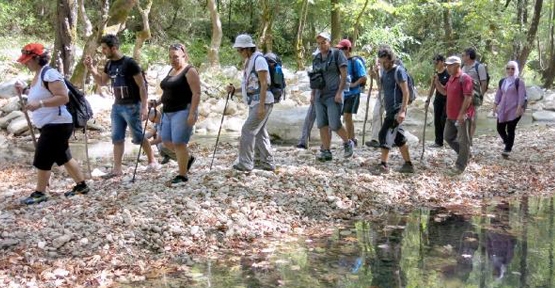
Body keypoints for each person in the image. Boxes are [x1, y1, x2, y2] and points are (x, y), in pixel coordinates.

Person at [14, 43, 90, 205]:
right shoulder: (39, 74)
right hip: (51, 124)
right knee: (63, 156)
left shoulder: (50, 74)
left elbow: (63, 97)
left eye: (28, 60)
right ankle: (82, 185)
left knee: (43, 156)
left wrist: (39, 104)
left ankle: (40, 193)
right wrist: (24, 91)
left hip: (57, 124)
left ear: (37, 58)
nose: (25, 63)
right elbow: (39, 93)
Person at [83, 34, 159, 178]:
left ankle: (152, 160)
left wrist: (144, 107)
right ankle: (117, 169)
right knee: (117, 137)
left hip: (132, 105)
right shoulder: (109, 64)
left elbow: (142, 86)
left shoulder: (130, 63)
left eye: (105, 48)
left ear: (114, 48)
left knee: (138, 136)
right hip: (117, 106)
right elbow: (101, 82)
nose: (103, 51)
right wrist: (91, 68)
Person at [227, 34, 275, 172]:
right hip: (255, 102)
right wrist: (234, 90)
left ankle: (246, 163)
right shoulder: (249, 61)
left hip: (263, 102)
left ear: (248, 48)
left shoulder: (259, 60)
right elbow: (250, 85)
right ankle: (267, 162)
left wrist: (261, 106)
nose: (239, 53)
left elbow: (264, 83)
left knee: (247, 130)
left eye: (240, 50)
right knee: (259, 132)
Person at [158, 43, 200, 185]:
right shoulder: (171, 70)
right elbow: (167, 92)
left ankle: (182, 176)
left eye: (176, 57)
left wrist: (192, 113)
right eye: (170, 57)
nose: (173, 60)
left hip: (183, 110)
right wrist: (157, 102)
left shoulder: (190, 71)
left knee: (179, 143)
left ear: (184, 55)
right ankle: (187, 159)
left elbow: (196, 93)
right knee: (166, 141)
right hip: (167, 111)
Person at [311, 32, 354, 161]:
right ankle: (326, 151)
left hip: (333, 94)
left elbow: (344, 75)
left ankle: (348, 143)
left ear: (329, 42)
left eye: (323, 42)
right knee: (322, 124)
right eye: (319, 43)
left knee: (335, 124)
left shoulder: (337, 54)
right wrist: (313, 94)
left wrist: (340, 93)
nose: (321, 45)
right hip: (320, 95)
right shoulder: (316, 58)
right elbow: (314, 77)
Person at [372, 46, 414, 173]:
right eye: (381, 62)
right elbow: (381, 87)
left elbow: (406, 92)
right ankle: (408, 164)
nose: (383, 64)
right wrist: (375, 76)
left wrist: (402, 111)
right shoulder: (384, 72)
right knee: (399, 137)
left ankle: (383, 165)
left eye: (385, 62)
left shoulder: (399, 71)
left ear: (391, 60)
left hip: (398, 108)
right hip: (390, 109)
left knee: (384, 134)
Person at [435, 56, 474, 175]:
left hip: (463, 116)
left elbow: (468, 97)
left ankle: (460, 166)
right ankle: (466, 154)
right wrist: (436, 82)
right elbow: (444, 92)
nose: (447, 67)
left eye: (450, 65)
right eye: (446, 65)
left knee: (464, 141)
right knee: (448, 137)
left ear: (457, 65)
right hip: (450, 115)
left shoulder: (465, 78)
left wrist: (462, 114)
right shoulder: (451, 78)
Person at [336, 39, 367, 147]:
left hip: (353, 93)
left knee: (347, 116)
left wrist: (354, 85)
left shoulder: (355, 62)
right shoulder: (340, 62)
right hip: (343, 93)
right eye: (339, 49)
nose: (340, 50)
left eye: (342, 48)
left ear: (349, 49)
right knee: (346, 118)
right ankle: (351, 138)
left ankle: (350, 140)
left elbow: (363, 77)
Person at [493, 60, 526, 158]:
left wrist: (519, 108)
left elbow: (521, 96)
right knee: (500, 128)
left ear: (516, 70)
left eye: (513, 68)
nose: (510, 70)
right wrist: (495, 105)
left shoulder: (519, 82)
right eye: (508, 68)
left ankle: (507, 149)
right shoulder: (503, 81)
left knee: (510, 129)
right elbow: (499, 94)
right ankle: (508, 142)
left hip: (514, 109)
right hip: (503, 109)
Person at [462, 48, 488, 144]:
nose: (462, 57)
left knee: (472, 119)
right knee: (464, 117)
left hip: (475, 96)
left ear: (468, 56)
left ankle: (470, 138)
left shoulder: (479, 67)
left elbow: (483, 83)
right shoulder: (463, 67)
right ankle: (465, 137)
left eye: (463, 55)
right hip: (463, 97)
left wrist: (481, 96)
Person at [425, 54, 449, 147]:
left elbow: (448, 89)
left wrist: (438, 82)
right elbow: (432, 88)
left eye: (437, 62)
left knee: (444, 120)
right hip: (438, 100)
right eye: (434, 62)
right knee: (437, 121)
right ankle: (438, 141)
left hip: (447, 100)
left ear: (442, 62)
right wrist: (428, 99)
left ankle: (449, 138)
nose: (435, 64)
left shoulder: (448, 73)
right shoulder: (435, 74)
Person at [365, 57, 384, 148]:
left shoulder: (392, 68)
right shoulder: (378, 68)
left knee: (390, 117)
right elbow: (379, 82)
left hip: (391, 95)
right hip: (381, 94)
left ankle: (393, 139)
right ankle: (375, 139)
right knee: (376, 114)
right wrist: (374, 74)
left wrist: (378, 72)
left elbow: (384, 81)